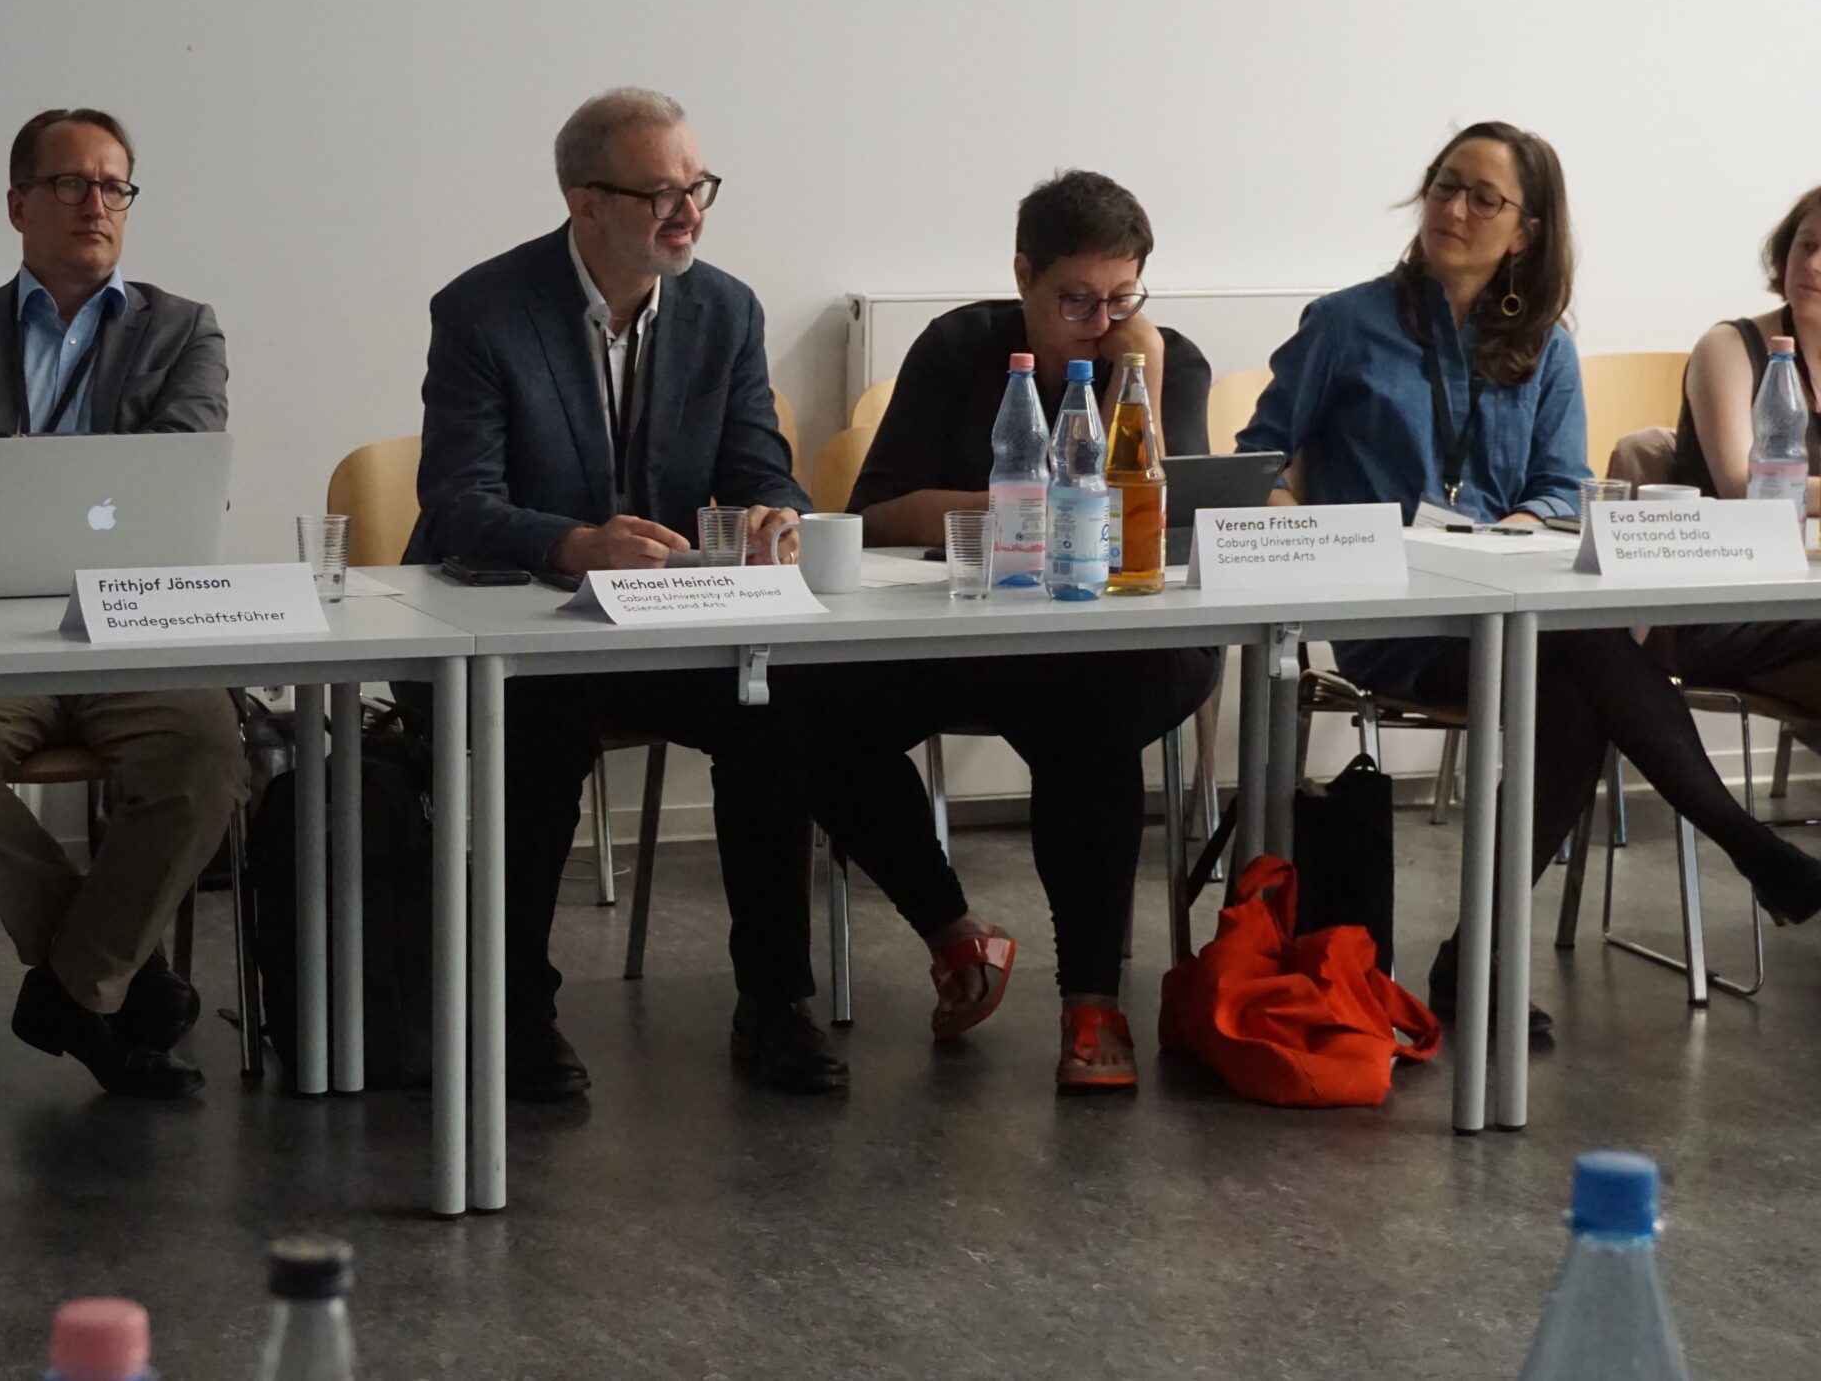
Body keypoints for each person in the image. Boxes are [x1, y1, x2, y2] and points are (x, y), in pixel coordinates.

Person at [1240, 123, 1821, 1034]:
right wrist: (1288, 516)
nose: (1452, 207)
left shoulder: (1544, 346)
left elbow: (1560, 488)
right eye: (1443, 184)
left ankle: (1481, 953)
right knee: (1583, 671)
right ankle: (1744, 849)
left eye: (1483, 197)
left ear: (1526, 233)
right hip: (1396, 617)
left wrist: (1513, 527)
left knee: (1574, 674)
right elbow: (1260, 457)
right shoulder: (1344, 323)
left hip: (1510, 611)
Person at [411, 88, 866, 1096]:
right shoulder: (485, 310)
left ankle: (774, 1006)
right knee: (536, 727)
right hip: (525, 628)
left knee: (777, 710)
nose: (688, 214)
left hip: (665, 627)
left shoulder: (724, 309)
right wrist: (576, 544)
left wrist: (772, 518)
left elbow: (762, 467)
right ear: (584, 203)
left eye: (698, 187)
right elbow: (455, 504)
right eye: (659, 193)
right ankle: (517, 1014)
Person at [0, 108, 245, 1098]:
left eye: (114, 186)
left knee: (206, 758)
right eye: (70, 184)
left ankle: (74, 992)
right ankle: (122, 977)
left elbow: (181, 472)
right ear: (16, 205)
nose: (95, 204)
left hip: (138, 617)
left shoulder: (184, 329)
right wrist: (94, 474)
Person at [827, 169, 1223, 1090]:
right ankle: (955, 933)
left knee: (1094, 698)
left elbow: (1169, 532)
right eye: (1074, 299)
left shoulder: (1168, 356)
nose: (1098, 319)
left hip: (1131, 638)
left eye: (1120, 296)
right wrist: (1023, 510)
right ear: (1023, 276)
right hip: (976, 628)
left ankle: (1092, 1000)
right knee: (812, 705)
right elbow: (877, 512)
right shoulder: (963, 345)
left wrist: (1142, 373)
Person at [1661, 184, 1821, 705]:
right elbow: (1747, 489)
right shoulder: (1729, 348)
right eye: (1806, 245)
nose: (1814, 265)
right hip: (1728, 606)